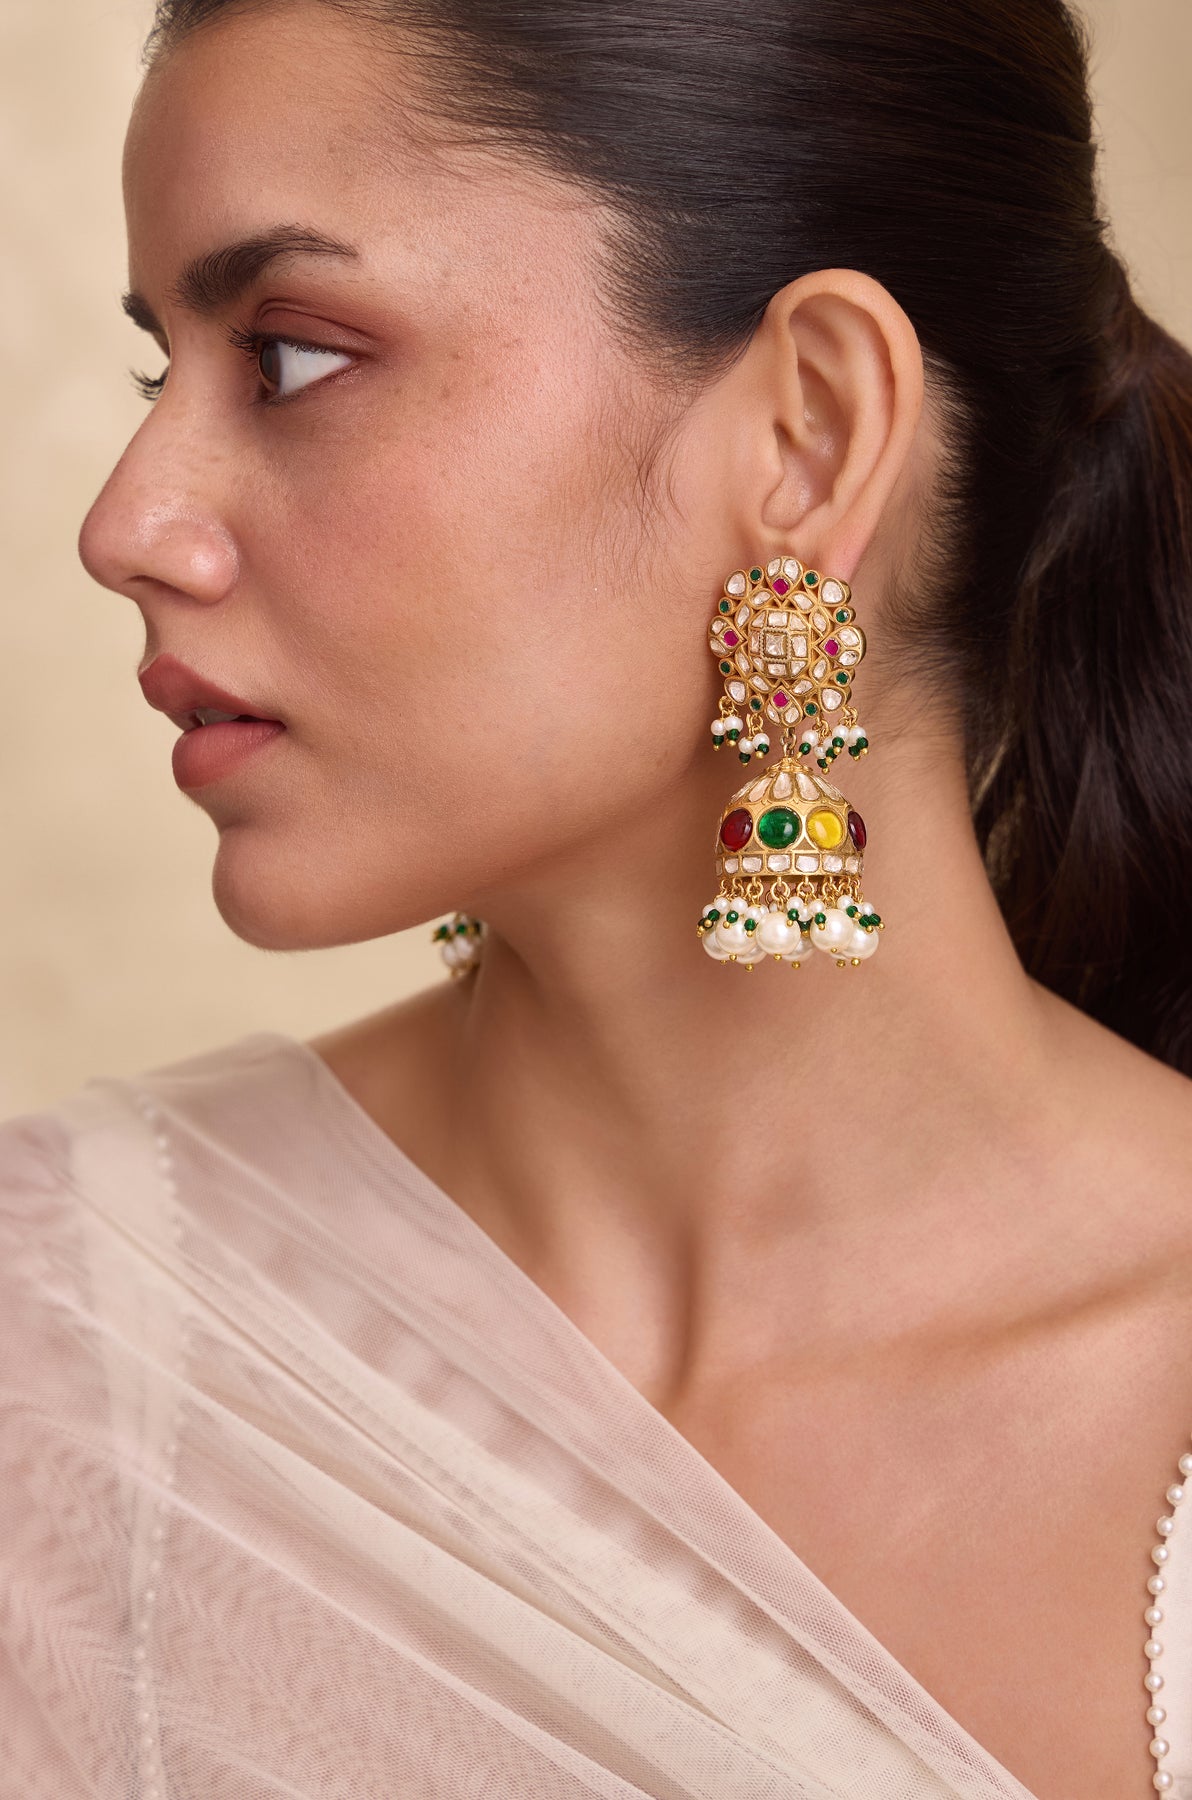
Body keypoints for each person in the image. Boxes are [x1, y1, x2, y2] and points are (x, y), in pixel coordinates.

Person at [3, 0, 1191, 1794]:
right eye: (159, 368)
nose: (128, 525)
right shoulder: (58, 1355)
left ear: (806, 436)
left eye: (294, 358)